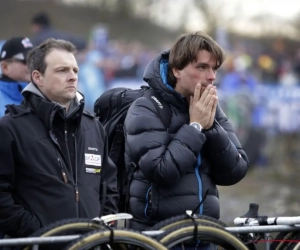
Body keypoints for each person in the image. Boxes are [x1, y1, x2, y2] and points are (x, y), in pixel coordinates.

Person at [124, 31, 249, 248]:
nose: (211, 76)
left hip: (205, 233)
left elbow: (236, 170)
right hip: (157, 237)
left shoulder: (211, 108)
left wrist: (210, 128)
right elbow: (162, 171)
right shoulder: (146, 107)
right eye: (202, 67)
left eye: (214, 69)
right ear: (176, 70)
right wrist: (195, 127)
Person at [0, 38, 118, 238]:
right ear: (38, 77)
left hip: (91, 243)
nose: (72, 77)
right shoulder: (10, 128)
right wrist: (35, 231)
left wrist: (101, 229)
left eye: (75, 70)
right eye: (62, 70)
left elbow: (109, 186)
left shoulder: (94, 127)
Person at [0, 37, 33, 117]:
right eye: (26, 60)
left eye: (34, 59)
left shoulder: (39, 94)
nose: (32, 64)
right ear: (5, 67)